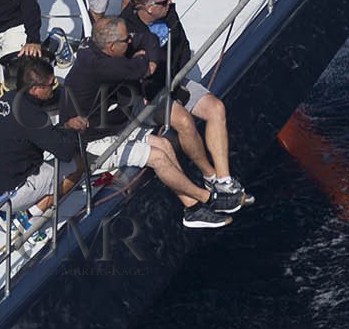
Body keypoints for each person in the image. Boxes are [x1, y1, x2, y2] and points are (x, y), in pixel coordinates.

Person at [60, 17, 240, 228]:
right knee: (157, 158)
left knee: (163, 144)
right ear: (111, 46)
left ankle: (192, 208)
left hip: (108, 125)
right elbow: (139, 69)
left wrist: (148, 60)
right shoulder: (100, 66)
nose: (130, 42)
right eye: (125, 41)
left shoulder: (98, 45)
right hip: (89, 142)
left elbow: (149, 39)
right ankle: (208, 198)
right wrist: (142, 61)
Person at [123, 0, 249, 201]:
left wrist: (175, 82)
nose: (169, 3)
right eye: (163, 2)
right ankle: (208, 176)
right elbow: (129, 75)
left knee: (215, 108)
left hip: (174, 81)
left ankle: (224, 180)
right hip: (147, 95)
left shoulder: (168, 14)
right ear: (147, 8)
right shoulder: (126, 32)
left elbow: (182, 47)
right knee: (183, 120)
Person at [0, 57, 86, 212]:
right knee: (77, 164)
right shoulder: (32, 116)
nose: (54, 89)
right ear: (35, 89)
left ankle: (20, 208)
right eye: (51, 84)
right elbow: (65, 152)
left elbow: (39, 134)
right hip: (8, 197)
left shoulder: (8, 98)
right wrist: (72, 130)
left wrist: (65, 126)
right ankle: (30, 217)